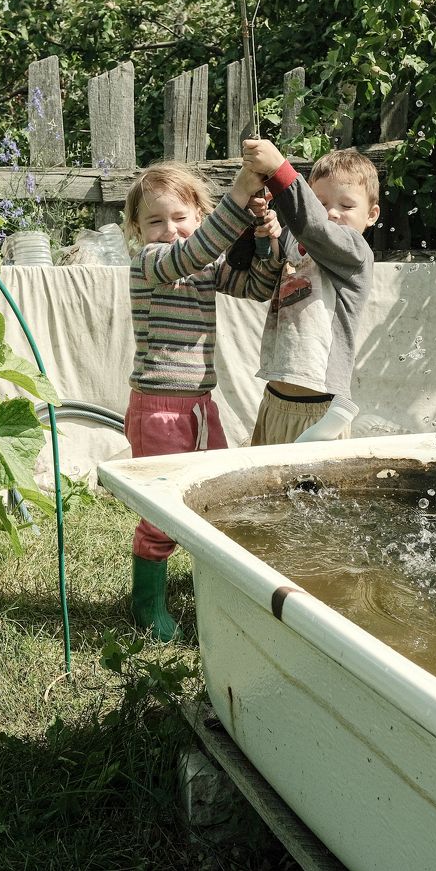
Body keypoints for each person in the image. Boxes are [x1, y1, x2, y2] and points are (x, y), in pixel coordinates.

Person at [122, 160, 283, 641]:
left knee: (215, 495)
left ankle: (207, 583)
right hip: (158, 411)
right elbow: (191, 253)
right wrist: (239, 196)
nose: (169, 229)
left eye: (180, 217)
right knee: (163, 514)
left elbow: (257, 287)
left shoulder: (205, 265)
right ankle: (147, 604)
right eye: (155, 220)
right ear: (138, 230)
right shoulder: (152, 262)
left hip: (200, 407)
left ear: (199, 215)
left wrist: (264, 242)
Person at [241, 139, 380, 446]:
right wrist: (265, 230)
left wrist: (279, 170)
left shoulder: (355, 252)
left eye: (346, 206)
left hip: (318, 412)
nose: (332, 213)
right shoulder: (295, 239)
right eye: (321, 203)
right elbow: (264, 271)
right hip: (273, 400)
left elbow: (314, 226)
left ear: (371, 215)